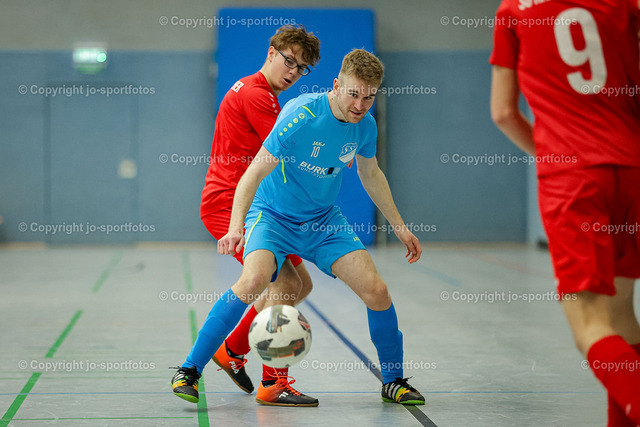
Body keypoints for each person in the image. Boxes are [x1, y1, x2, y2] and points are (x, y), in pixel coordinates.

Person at [173, 48, 425, 406]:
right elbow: (253, 173)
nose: (360, 105)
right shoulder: (302, 114)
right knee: (255, 280)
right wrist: (235, 227)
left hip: (323, 221)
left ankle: (393, 381)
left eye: (369, 97)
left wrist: (399, 226)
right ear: (336, 85)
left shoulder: (365, 126)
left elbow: (371, 174)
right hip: (272, 216)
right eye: (353, 94)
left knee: (377, 291)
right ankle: (189, 370)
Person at [490, 1, 640, 425]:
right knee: (622, 317)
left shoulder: (513, 10)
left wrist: (554, 158)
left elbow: (503, 113)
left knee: (590, 326)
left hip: (573, 177)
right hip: (632, 168)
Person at [171, 25, 322, 406]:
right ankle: (227, 374)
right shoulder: (258, 96)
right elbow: (288, 155)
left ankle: (233, 351)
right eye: (289, 61)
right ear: (271, 52)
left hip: (256, 205)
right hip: (230, 203)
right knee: (275, 281)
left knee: (300, 285)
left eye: (302, 68)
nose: (293, 72)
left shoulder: (252, 89)